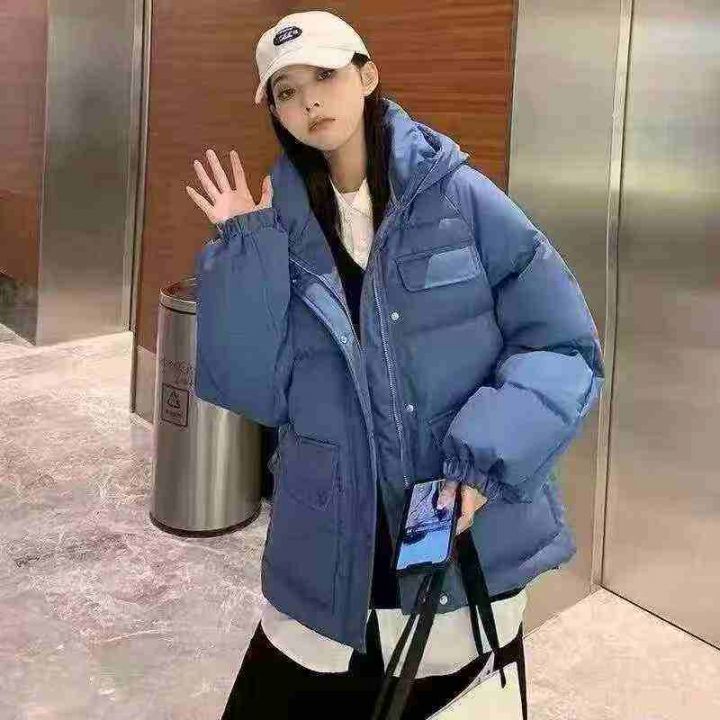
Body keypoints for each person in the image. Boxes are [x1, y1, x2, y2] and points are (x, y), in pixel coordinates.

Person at [187, 10, 605, 719]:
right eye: (286, 91)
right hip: (330, 540)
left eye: (325, 75)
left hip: (450, 524)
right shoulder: (276, 224)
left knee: (438, 691)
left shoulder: (458, 197)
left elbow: (561, 344)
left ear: (367, 76)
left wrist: (482, 465)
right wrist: (242, 252)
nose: (309, 101)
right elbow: (256, 391)